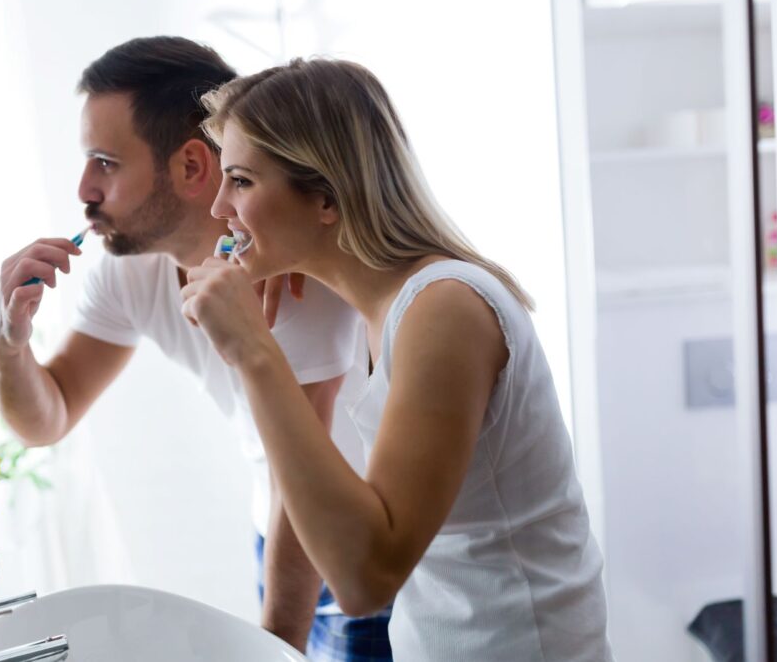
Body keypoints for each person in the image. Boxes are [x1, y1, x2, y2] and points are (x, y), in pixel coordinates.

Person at [180, 58, 613, 661]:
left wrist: (254, 351)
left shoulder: (445, 310)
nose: (219, 208)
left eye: (243, 181)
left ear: (327, 198)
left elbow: (364, 577)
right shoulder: (379, 308)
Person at [0, 38, 393, 659]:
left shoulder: (289, 270)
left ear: (191, 166)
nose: (84, 188)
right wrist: (8, 342)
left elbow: (303, 471)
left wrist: (274, 645)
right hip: (279, 539)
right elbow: (50, 416)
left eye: (105, 162)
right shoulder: (130, 270)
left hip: (354, 562)